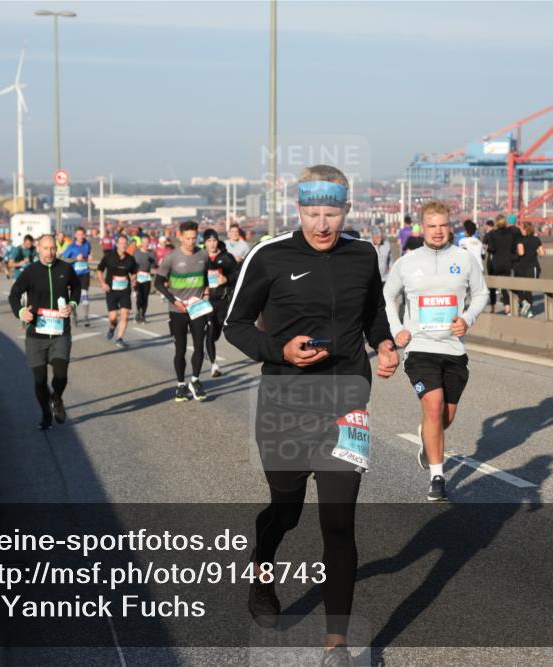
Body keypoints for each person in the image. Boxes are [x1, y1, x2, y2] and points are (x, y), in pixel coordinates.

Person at [224, 165, 398, 664]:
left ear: (347, 209)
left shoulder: (362, 255)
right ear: (296, 208)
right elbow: (233, 324)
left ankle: (336, 647)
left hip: (347, 403)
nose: (322, 225)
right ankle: (261, 566)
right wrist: (280, 349)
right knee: (287, 510)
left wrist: (383, 344)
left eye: (332, 213)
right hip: (284, 405)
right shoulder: (269, 255)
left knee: (339, 521)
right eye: (312, 213)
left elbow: (373, 314)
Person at [384, 200, 487, 502]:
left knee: (446, 416)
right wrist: (396, 329)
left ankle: (426, 438)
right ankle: (437, 476)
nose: (438, 231)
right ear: (422, 227)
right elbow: (388, 296)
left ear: (450, 227)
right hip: (419, 348)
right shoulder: (407, 262)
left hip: (453, 349)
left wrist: (467, 318)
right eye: (432, 226)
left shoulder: (465, 259)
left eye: (443, 225)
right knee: (433, 404)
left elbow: (482, 293)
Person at [8, 234, 81, 430]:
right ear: (38, 249)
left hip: (60, 333)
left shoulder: (65, 269)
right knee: (40, 381)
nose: (50, 252)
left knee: (61, 375)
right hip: (36, 335)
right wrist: (21, 311)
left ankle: (57, 399)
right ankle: (45, 413)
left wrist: (72, 304)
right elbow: (14, 295)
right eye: (46, 248)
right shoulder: (30, 272)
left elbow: (76, 288)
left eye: (53, 248)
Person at [155, 221, 211, 402]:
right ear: (180, 237)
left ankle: (195, 381)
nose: (191, 242)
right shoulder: (171, 258)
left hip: (197, 308)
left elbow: (205, 277)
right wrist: (174, 301)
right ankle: (180, 385)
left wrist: (207, 293)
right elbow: (157, 282)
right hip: (177, 309)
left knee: (199, 346)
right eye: (187, 238)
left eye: (194, 238)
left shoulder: (203, 254)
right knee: (180, 349)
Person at [202, 229, 239, 377]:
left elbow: (237, 274)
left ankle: (209, 346)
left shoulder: (226, 257)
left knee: (217, 333)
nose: (212, 244)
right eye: (209, 241)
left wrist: (227, 279)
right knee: (211, 333)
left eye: (214, 240)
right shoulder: (201, 257)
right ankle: (214, 366)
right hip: (206, 301)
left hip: (223, 300)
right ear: (204, 242)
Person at [96, 235, 138, 346]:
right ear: (117, 244)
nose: (123, 245)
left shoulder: (130, 258)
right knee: (113, 317)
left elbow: (134, 272)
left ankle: (119, 338)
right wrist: (102, 283)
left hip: (125, 290)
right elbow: (99, 270)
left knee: (125, 314)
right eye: (121, 243)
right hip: (111, 290)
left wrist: (134, 280)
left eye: (125, 243)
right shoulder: (109, 257)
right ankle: (112, 327)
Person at [485, 214, 520, 315]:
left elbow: (492, 249)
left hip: (496, 263)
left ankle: (493, 308)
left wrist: (488, 249)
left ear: (496, 222)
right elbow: (514, 249)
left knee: (493, 286)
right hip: (508, 263)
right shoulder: (512, 234)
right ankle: (508, 307)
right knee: (505, 285)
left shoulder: (492, 234)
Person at [61, 227, 93, 328]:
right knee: (74, 296)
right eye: (78, 234)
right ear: (75, 235)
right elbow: (63, 259)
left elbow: (88, 253)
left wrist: (89, 256)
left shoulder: (87, 244)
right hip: (74, 274)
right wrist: (75, 259)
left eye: (82, 234)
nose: (80, 237)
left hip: (85, 273)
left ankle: (86, 317)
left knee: (84, 293)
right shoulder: (71, 247)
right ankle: (74, 314)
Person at [514, 221, 544, 317]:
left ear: (525, 229)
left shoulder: (520, 240)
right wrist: (534, 250)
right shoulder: (536, 239)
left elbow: (521, 253)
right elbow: (542, 253)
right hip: (534, 267)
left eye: (521, 228)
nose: (520, 230)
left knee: (518, 287)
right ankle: (529, 311)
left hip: (522, 266)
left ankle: (523, 302)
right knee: (529, 289)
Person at [131, 235, 157, 324]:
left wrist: (152, 263)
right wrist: (133, 277)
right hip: (138, 277)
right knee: (139, 297)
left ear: (149, 243)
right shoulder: (136, 252)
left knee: (145, 298)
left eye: (147, 242)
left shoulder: (152, 253)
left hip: (147, 277)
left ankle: (143, 315)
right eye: (144, 242)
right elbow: (131, 264)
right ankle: (138, 312)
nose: (146, 244)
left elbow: (154, 266)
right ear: (141, 243)